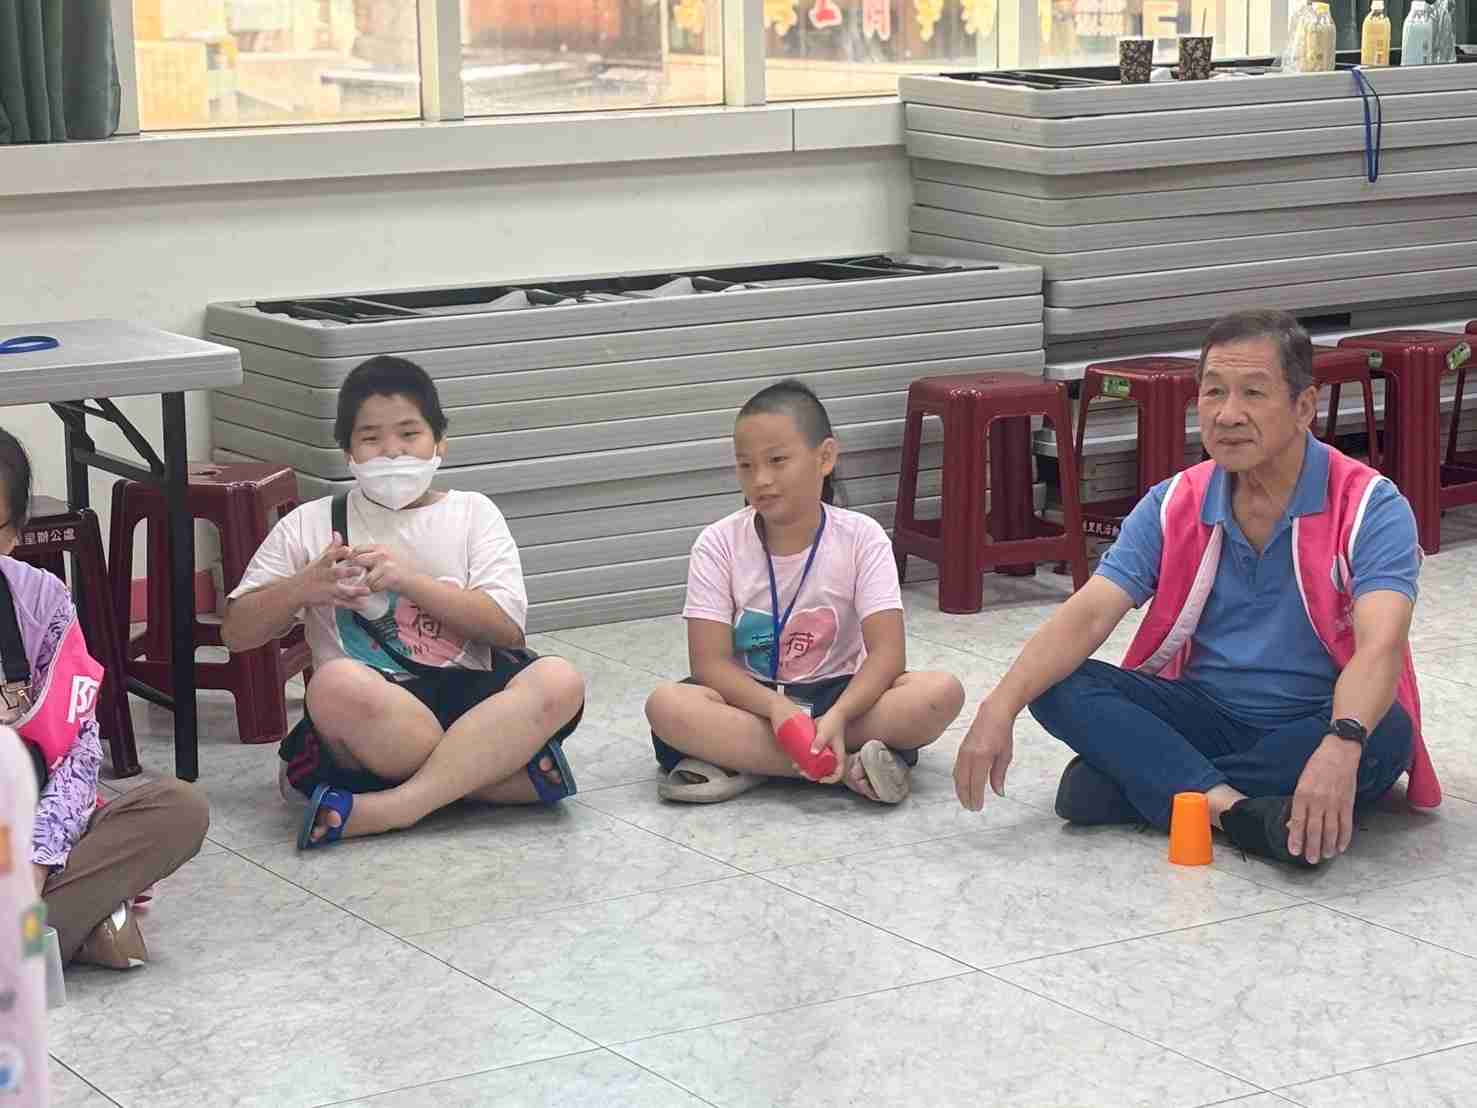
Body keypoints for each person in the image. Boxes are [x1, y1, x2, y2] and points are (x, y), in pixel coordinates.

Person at [952, 309, 1441, 867]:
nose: (1228, 415)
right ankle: (1235, 811)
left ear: (1304, 406)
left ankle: (1154, 783)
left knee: (1385, 734)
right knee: (1057, 683)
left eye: (1253, 392)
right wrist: (999, 706)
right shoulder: (1174, 502)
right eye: (1213, 392)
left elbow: (1381, 647)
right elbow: (1089, 614)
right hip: (1205, 712)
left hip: (1316, 716)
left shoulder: (1371, 506)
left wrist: (1341, 741)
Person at [222, 355, 585, 848]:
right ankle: (493, 779)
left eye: (409, 434)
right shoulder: (310, 523)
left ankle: (397, 807)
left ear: (440, 442)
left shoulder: (473, 513)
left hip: (476, 702)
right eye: (371, 438)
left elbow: (506, 629)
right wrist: (303, 587)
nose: (392, 452)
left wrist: (409, 581)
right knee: (334, 685)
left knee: (559, 678)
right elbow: (237, 633)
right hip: (377, 715)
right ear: (348, 452)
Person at [645, 380, 965, 804]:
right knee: (666, 705)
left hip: (840, 696)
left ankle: (749, 762)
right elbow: (709, 663)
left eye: (777, 460)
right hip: (750, 700)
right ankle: (841, 767)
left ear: (825, 457)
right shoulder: (717, 543)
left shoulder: (862, 537)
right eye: (745, 465)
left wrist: (841, 715)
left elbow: (888, 655)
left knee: (939, 694)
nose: (760, 480)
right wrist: (776, 709)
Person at [0, 429, 208, 968]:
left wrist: (37, 862)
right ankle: (75, 926)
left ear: (14, 533)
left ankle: (31, 933)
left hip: (35, 831)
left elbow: (77, 749)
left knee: (178, 810)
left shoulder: (41, 601)